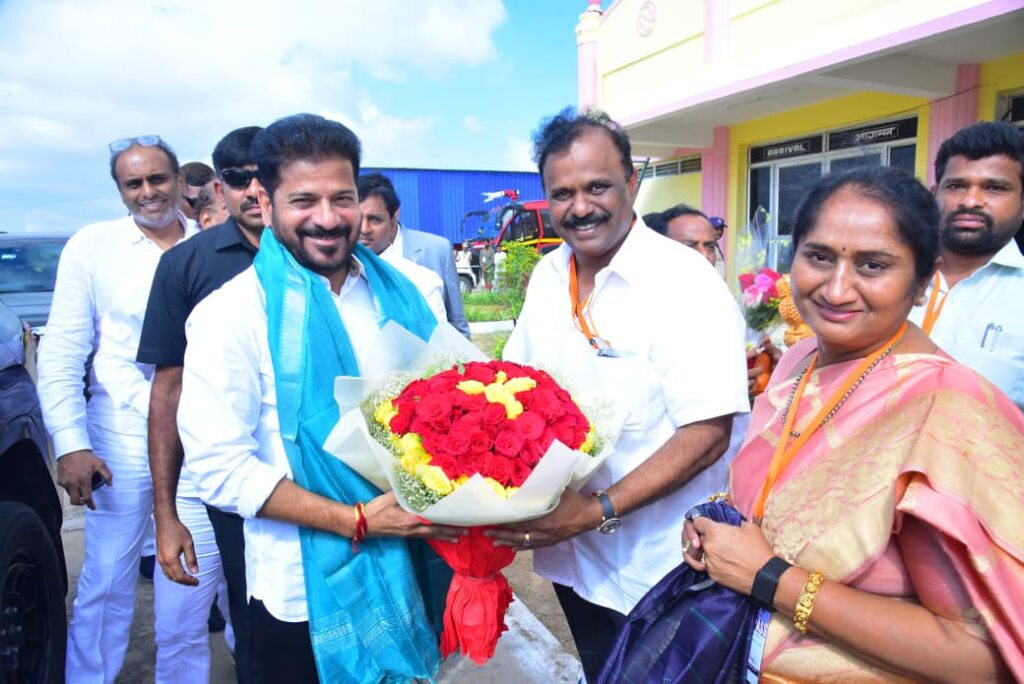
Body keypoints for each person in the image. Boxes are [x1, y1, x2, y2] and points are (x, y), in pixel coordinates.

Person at [683, 165, 1024, 681]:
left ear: (921, 284)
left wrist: (771, 578)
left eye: (873, 265)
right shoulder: (798, 360)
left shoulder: (947, 412)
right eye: (819, 257)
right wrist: (715, 525)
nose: (837, 290)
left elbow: (979, 657)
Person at [177, 114, 463, 683]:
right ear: (264, 198)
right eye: (304, 200)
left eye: (343, 198)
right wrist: (354, 519)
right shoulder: (233, 314)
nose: (328, 219)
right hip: (301, 594)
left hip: (418, 558)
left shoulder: (407, 292)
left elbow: (450, 405)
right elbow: (217, 469)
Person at [489, 108, 749, 682]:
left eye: (598, 186)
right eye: (562, 192)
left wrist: (596, 512)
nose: (580, 207)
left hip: (660, 568)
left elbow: (708, 435)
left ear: (633, 183)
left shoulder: (683, 281)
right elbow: (517, 390)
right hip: (574, 560)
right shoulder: (548, 276)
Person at [36, 135, 199, 682]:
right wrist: (72, 443)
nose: (149, 192)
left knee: (193, 577)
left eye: (158, 179)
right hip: (121, 431)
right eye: (134, 183)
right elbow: (62, 350)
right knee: (107, 577)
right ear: (120, 190)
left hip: (202, 430)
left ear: (179, 181)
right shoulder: (92, 247)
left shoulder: (211, 243)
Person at [137, 125, 265, 684]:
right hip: (202, 482)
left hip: (288, 478)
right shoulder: (187, 265)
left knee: (267, 624)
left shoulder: (316, 255)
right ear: (219, 186)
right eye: (239, 179)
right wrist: (165, 516)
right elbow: (168, 390)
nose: (254, 189)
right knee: (182, 622)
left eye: (266, 176)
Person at [908, 121, 1024, 411]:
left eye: (994, 188)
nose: (970, 201)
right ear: (935, 193)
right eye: (957, 186)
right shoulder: (890, 276)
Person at [354, 173, 471, 338]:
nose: (364, 229)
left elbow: (457, 326)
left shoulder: (435, 251)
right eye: (357, 219)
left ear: (395, 214)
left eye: (375, 219)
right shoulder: (345, 261)